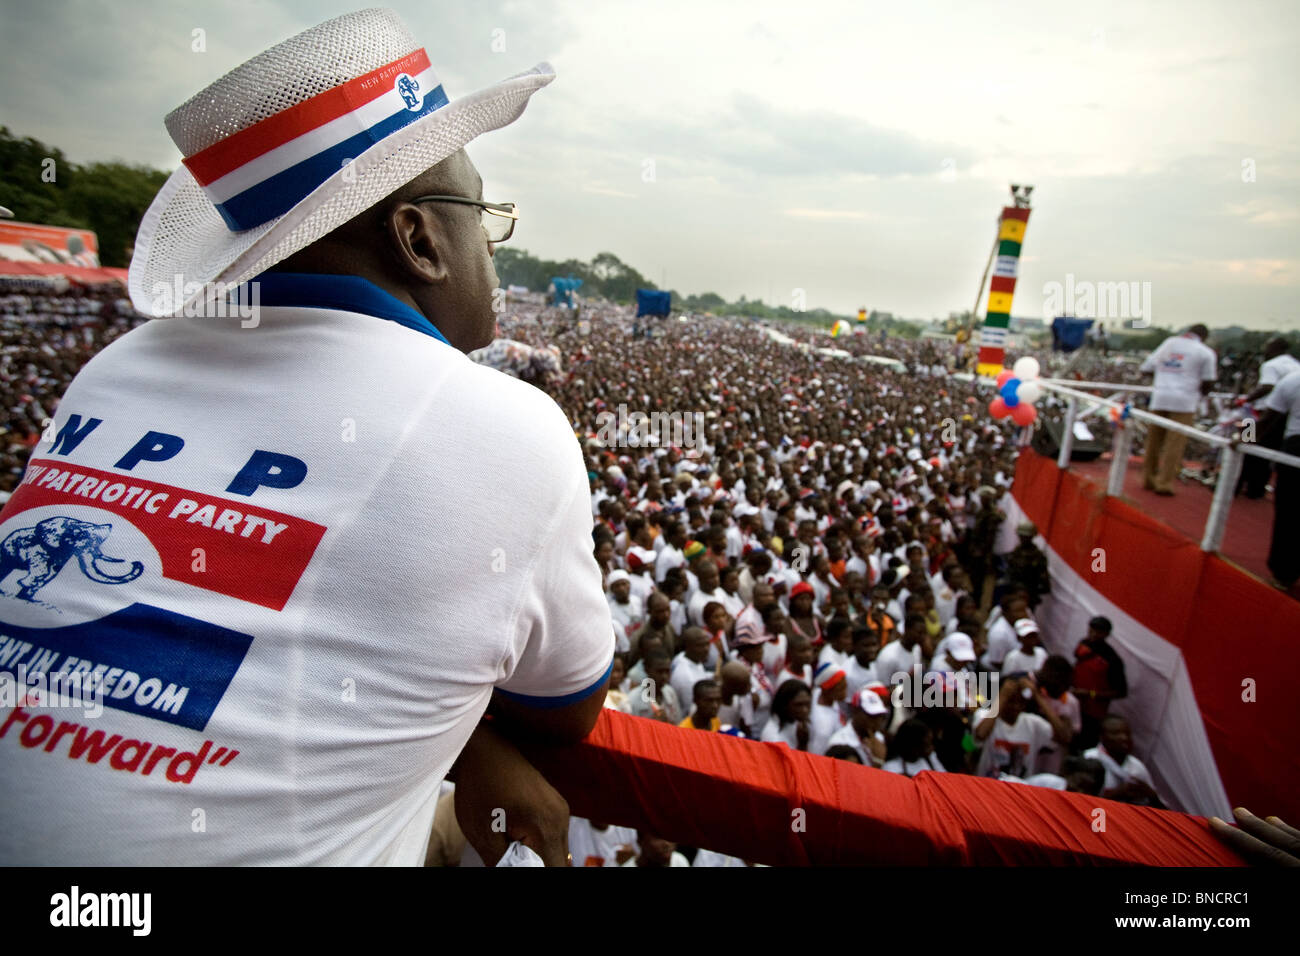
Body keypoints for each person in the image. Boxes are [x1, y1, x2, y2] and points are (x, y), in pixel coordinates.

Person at [0, 9, 609, 867]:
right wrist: (477, 746)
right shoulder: (505, 426)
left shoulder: (119, 366)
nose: (494, 247)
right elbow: (564, 706)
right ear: (419, 240)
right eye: (483, 212)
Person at [1139, 324, 1218, 496]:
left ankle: (1148, 478)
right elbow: (1208, 382)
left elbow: (1146, 368)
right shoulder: (1204, 352)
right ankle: (1164, 483)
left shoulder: (1169, 343)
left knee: (1153, 441)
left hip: (1160, 397)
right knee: (1174, 444)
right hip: (1185, 401)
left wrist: (1164, 380)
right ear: (1204, 336)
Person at [1238, 338, 1300, 499]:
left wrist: (1246, 399)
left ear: (1274, 348)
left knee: (1246, 448)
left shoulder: (1270, 365)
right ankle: (1256, 489)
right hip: (1284, 417)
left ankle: (1236, 485)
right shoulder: (1294, 364)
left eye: (1266, 347)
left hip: (1261, 414)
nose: (1264, 351)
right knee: (1269, 453)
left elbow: (1267, 386)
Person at [1259, 368, 1300, 589]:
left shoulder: (1292, 379)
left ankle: (1283, 574)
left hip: (1295, 446)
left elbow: (1266, 419)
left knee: (1289, 513)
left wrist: (1243, 438)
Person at [1071, 616, 1128, 750]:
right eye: (1092, 630)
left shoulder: (1112, 660)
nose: (1094, 634)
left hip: (1093, 714)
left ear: (1107, 634)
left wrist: (1090, 694)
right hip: (1074, 703)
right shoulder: (1084, 644)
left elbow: (1121, 692)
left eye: (1099, 632)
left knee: (1085, 744)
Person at [1084, 715, 1165, 808]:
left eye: (1127, 733)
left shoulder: (1137, 766)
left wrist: (1151, 795)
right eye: (1116, 733)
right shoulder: (1089, 758)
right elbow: (1080, 802)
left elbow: (1160, 807)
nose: (1124, 737)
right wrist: (1116, 794)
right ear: (1102, 737)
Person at [882, 718, 946, 777]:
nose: (932, 748)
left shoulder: (931, 760)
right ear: (914, 747)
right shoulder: (891, 768)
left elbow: (944, 779)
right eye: (927, 745)